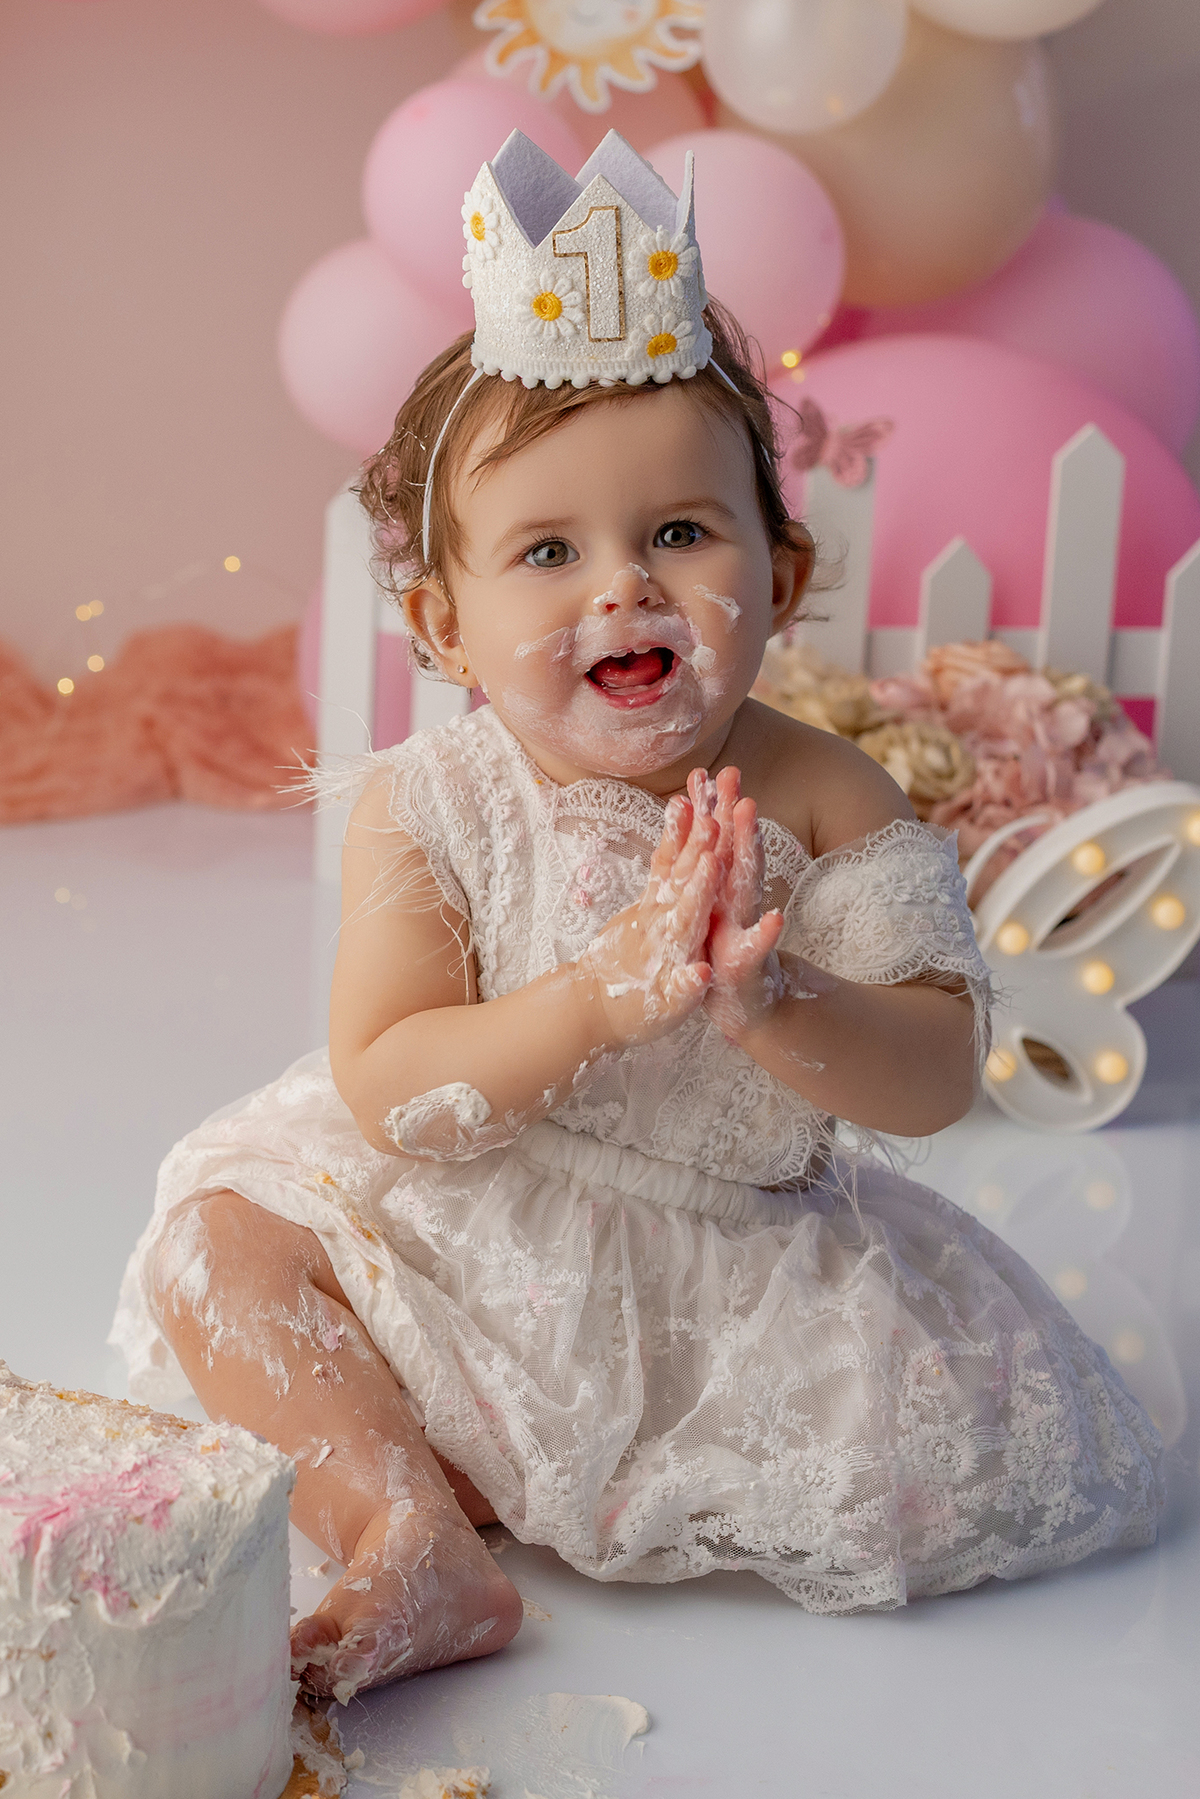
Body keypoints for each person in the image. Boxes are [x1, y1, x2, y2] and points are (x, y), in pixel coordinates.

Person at [111, 132, 1162, 1708]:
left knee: (922, 1460)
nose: (623, 590)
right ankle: (406, 1524)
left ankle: (493, 1468)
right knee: (225, 1250)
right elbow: (392, 1074)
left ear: (779, 566)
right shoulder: (432, 799)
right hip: (464, 1217)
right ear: (444, 623)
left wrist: (777, 1004)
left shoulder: (825, 803)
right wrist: (600, 999)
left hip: (724, 1275)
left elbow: (942, 1078)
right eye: (549, 552)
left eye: (680, 532)